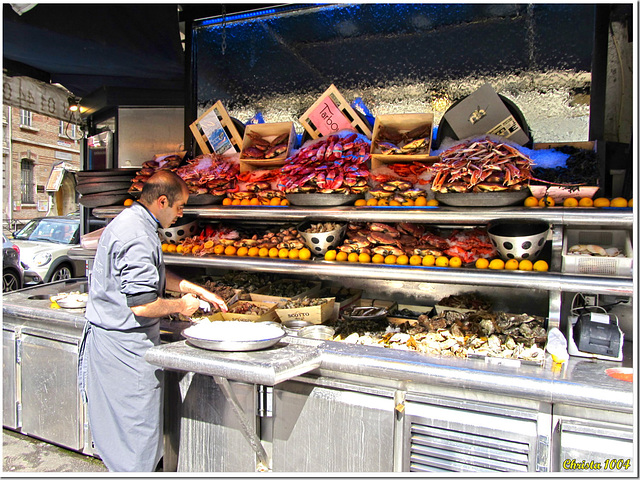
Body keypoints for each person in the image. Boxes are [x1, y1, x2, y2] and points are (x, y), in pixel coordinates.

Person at [78, 170, 228, 472]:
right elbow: (143, 304)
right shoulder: (137, 235)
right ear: (162, 201)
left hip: (118, 345)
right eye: (179, 207)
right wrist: (183, 306)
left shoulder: (132, 222)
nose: (181, 214)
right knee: (134, 442)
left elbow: (151, 277)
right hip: (123, 351)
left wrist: (190, 286)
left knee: (132, 438)